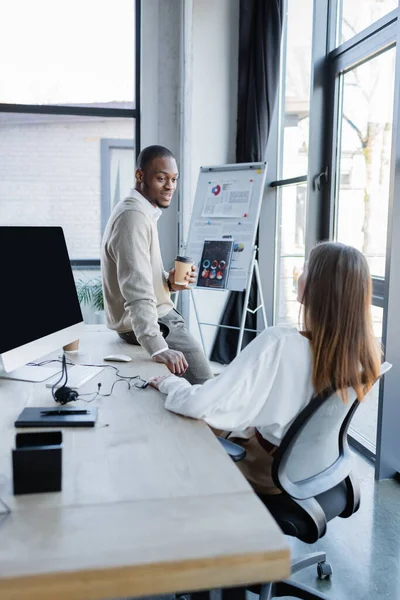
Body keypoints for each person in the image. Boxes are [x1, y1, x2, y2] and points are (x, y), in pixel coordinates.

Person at [149, 242, 381, 497]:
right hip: (308, 469)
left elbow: (199, 404)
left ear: (319, 286)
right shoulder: (362, 353)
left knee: (175, 425)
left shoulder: (280, 342)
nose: (298, 275)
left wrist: (170, 383)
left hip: (266, 470)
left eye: (305, 269)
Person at [101, 145, 214, 385]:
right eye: (161, 178)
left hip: (157, 319)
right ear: (140, 176)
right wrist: (156, 346)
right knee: (209, 388)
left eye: (174, 179)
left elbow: (138, 273)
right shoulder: (133, 218)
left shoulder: (139, 213)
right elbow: (135, 288)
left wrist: (168, 283)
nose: (170, 186)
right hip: (158, 323)